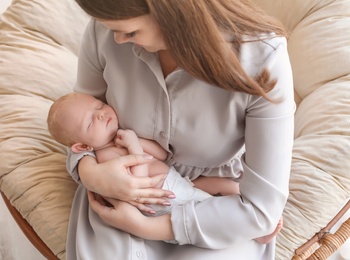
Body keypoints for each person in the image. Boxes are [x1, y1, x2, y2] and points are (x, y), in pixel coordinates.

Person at [66, 0, 295, 259]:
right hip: (120, 199)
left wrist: (145, 226)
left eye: (130, 33)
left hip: (215, 210)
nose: (118, 40)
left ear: (175, 12)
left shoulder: (264, 59)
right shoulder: (106, 30)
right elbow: (77, 123)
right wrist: (90, 174)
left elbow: (261, 210)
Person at [47, 92, 238, 216]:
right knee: (212, 211)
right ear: (82, 147)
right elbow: (138, 183)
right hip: (165, 202)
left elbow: (162, 155)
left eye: (98, 105)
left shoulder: (123, 136)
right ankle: (252, 226)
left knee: (225, 185)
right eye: (90, 122)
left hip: (177, 181)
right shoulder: (104, 159)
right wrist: (134, 147)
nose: (100, 114)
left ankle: (257, 209)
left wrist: (136, 141)